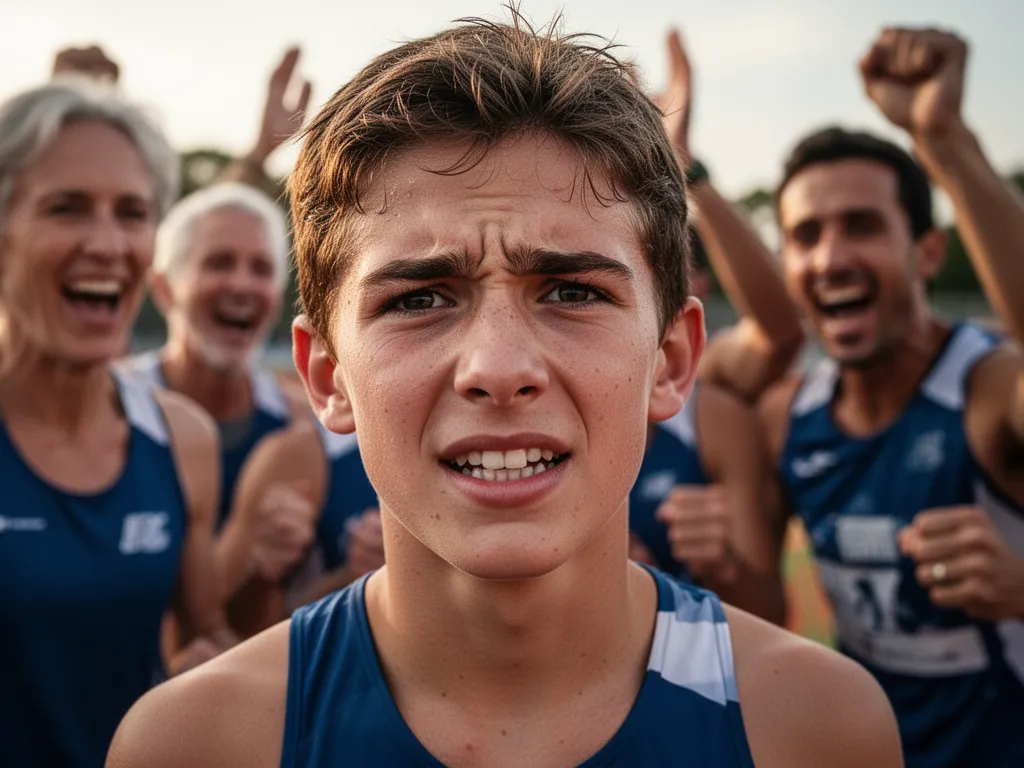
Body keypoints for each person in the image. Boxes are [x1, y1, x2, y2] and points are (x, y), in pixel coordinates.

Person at [108, 13, 901, 768]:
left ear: (670, 360)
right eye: (419, 299)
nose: (497, 365)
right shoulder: (195, 743)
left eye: (571, 291)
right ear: (328, 375)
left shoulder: (817, 727)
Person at [759, 27, 1024, 767]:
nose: (831, 257)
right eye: (805, 235)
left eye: (862, 226)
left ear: (929, 251)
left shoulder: (988, 388)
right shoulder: (788, 416)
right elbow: (756, 606)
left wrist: (943, 138)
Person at [0, 81, 234, 767]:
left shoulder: (181, 439)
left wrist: (209, 667)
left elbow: (205, 633)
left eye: (131, 213)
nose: (107, 243)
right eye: (66, 208)